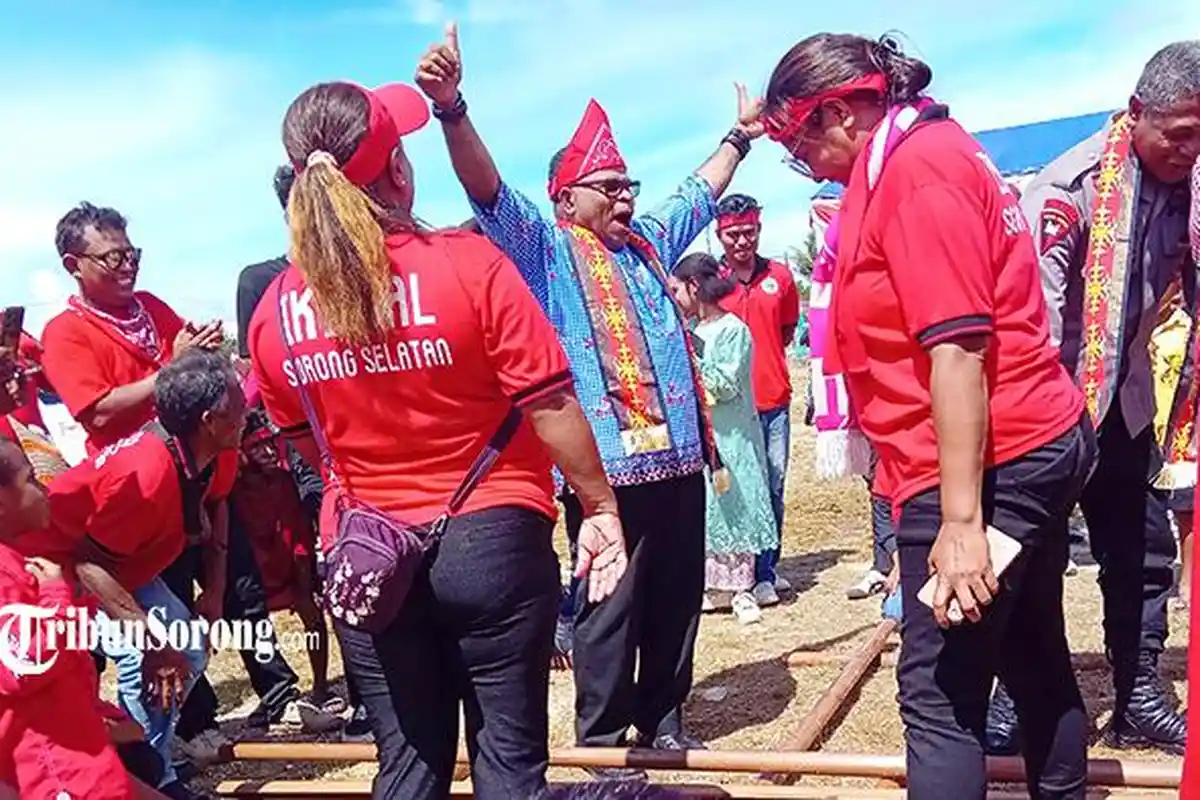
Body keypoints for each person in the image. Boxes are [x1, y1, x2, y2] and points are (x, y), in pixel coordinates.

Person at [248, 79, 627, 800]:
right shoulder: (467, 264)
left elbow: (301, 438)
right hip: (492, 542)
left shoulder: (278, 310)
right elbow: (548, 401)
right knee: (509, 762)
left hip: (367, 558)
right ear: (398, 169)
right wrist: (600, 507)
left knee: (408, 763)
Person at [416, 21, 761, 765]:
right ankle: (601, 740)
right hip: (603, 475)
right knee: (609, 606)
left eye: (629, 187)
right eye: (609, 189)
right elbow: (486, 189)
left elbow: (697, 193)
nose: (627, 200)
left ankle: (664, 719)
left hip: (678, 462)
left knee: (674, 597)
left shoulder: (647, 245)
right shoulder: (545, 251)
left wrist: (740, 135)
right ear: (565, 199)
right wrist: (452, 108)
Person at [763, 32, 1094, 798]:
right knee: (1035, 653)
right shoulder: (923, 155)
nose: (802, 163)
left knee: (940, 694)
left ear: (840, 113)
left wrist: (960, 521)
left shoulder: (917, 175)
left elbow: (958, 349)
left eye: (796, 142)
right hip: (1017, 443)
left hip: (993, 458)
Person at [990, 40, 1200, 757]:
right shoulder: (1065, 188)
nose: (1191, 151)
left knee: (1140, 553)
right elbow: (1033, 319)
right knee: (1028, 553)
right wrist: (1045, 433)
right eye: (1181, 135)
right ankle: (1015, 698)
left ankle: (1138, 693)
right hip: (1050, 401)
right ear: (1137, 113)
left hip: (1128, 404)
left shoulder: (1192, 183)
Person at [30, 349, 246, 799]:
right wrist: (150, 642)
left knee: (184, 651)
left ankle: (150, 768)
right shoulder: (147, 474)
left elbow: (209, 516)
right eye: (238, 404)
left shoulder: (201, 451)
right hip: (55, 571)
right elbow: (88, 561)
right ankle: (144, 779)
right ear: (208, 419)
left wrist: (214, 589)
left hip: (114, 567)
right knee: (149, 660)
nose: (247, 409)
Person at [233, 163, 372, 742]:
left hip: (376, 446)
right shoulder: (261, 281)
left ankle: (373, 694)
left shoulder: (370, 268)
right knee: (337, 574)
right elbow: (255, 374)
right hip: (305, 458)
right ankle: (355, 693)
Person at [0, 439, 143, 800]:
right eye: (31, 479)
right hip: (56, 775)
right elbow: (26, 662)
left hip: (76, 759)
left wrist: (97, 713)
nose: (44, 488)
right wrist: (56, 596)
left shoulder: (16, 563)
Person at [40, 202, 225, 455]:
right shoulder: (63, 332)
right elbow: (99, 414)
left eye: (131, 255)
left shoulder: (150, 305)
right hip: (138, 477)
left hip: (199, 460)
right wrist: (174, 369)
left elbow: (190, 358)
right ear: (74, 266)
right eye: (113, 258)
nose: (128, 267)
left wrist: (204, 344)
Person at [668, 253, 777, 624]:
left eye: (677, 290)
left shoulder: (733, 331)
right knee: (711, 509)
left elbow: (725, 386)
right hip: (702, 436)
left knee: (735, 504)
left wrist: (693, 356)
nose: (676, 298)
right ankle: (715, 586)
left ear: (694, 287)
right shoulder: (692, 331)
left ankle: (744, 588)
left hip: (731, 437)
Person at [713, 194, 799, 605]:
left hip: (772, 400)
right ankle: (738, 572)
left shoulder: (780, 277)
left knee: (774, 485)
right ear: (719, 234)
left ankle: (767, 568)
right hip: (730, 412)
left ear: (759, 230)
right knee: (738, 490)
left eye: (749, 232)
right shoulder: (715, 283)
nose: (742, 241)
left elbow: (785, 331)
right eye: (733, 234)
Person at [229, 410, 336, 714]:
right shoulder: (230, 490)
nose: (267, 452)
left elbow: (299, 534)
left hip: (290, 566)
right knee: (249, 627)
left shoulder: (283, 481)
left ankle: (320, 686)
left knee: (313, 617)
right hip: (252, 572)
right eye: (256, 447)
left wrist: (304, 582)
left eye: (269, 444)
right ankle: (274, 692)